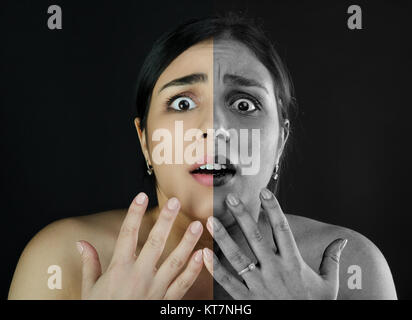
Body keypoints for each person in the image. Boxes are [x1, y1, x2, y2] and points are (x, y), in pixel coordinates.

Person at [8, 13, 397, 300]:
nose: (214, 128)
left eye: (244, 104)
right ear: (145, 140)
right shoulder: (64, 260)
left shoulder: (351, 267)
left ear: (280, 142)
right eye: (181, 102)